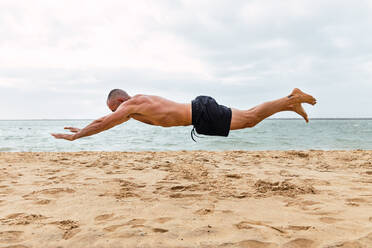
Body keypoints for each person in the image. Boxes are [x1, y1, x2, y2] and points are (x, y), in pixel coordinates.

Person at [51, 88, 316, 141]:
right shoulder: (139, 103)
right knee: (249, 118)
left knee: (249, 120)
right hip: (200, 112)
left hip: (199, 112)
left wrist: (78, 136)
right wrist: (85, 129)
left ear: (120, 100)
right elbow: (105, 121)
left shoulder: (132, 104)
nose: (118, 114)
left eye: (116, 108)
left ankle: (290, 99)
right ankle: (288, 103)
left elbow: (103, 122)